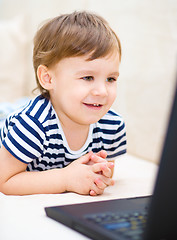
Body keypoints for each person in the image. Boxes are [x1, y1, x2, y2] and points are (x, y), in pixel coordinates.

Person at [0, 11, 126, 196]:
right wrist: (65, 179)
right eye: (88, 77)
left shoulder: (112, 126)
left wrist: (97, 175)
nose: (102, 91)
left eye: (111, 79)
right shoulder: (31, 126)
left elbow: (106, 171)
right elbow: (5, 181)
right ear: (48, 78)